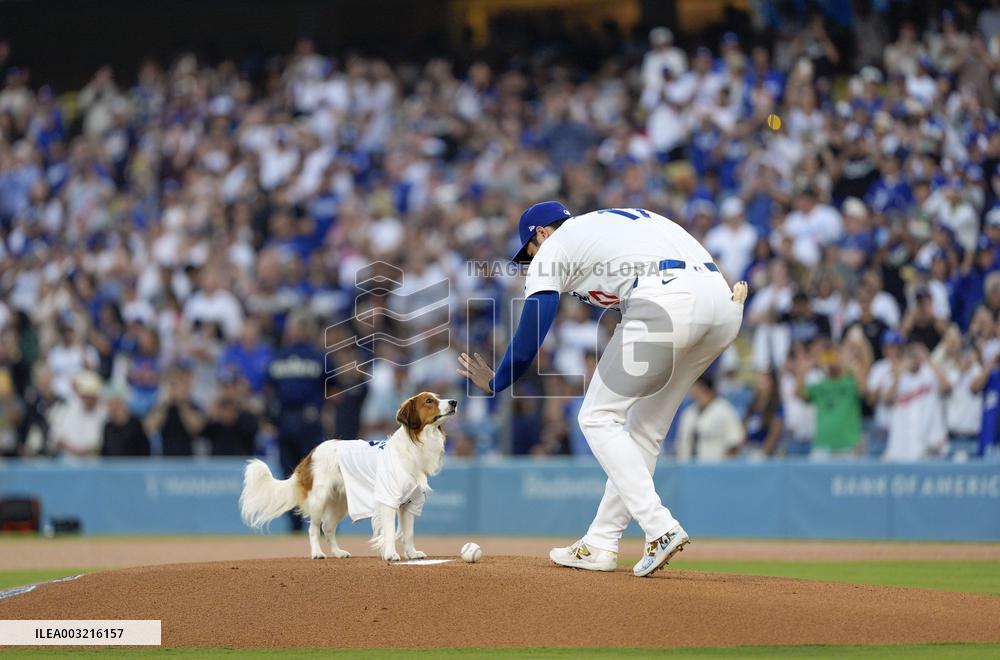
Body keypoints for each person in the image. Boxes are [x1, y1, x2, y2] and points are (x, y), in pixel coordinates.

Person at [458, 201, 745, 577]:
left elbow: (532, 334)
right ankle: (600, 542)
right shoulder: (607, 226)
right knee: (645, 429)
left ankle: (658, 527)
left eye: (529, 252)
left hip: (667, 297)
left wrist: (498, 380)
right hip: (722, 303)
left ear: (542, 233)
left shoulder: (557, 244)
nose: (531, 262)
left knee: (596, 416)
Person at [883, 343, 950, 461]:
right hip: (903, 443)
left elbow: (947, 387)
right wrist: (899, 373)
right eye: (910, 356)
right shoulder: (898, 376)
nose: (914, 359)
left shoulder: (929, 374)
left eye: (916, 356)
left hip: (928, 440)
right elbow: (887, 400)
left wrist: (929, 359)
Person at [674, 376, 744, 461]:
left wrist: (725, 468)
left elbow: (734, 441)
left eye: (695, 387)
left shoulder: (725, 410)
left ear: (704, 388)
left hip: (715, 467)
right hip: (688, 467)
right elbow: (680, 442)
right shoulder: (689, 413)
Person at [102, 387, 150, 456]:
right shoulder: (108, 426)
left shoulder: (136, 424)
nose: (115, 408)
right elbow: (105, 450)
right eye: (111, 405)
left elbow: (145, 449)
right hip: (112, 464)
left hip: (135, 464)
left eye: (117, 404)